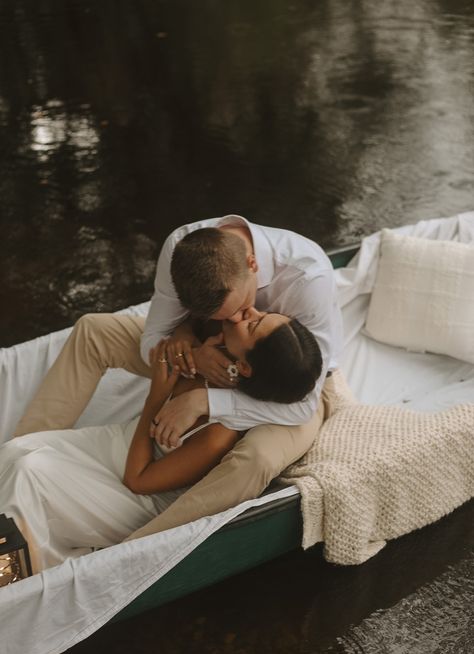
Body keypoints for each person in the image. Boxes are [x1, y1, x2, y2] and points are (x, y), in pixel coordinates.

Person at [13, 215, 343, 537]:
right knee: (93, 331)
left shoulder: (307, 275)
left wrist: (206, 401)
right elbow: (154, 339)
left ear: (252, 264)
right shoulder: (182, 249)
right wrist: (193, 350)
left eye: (242, 309)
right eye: (222, 316)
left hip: (294, 389)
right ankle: (25, 445)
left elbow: (301, 400)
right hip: (209, 349)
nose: (241, 316)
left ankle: (143, 548)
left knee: (256, 458)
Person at [1, 310, 323, 573]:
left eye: (253, 324)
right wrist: (189, 346)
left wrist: (156, 396)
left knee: (30, 473)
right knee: (15, 452)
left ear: (245, 367)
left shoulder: (218, 435)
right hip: (117, 444)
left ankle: (15, 572)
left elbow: (137, 479)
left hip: (135, 493)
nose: (248, 312)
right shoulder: (214, 351)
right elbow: (183, 314)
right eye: (262, 312)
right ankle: (15, 544)